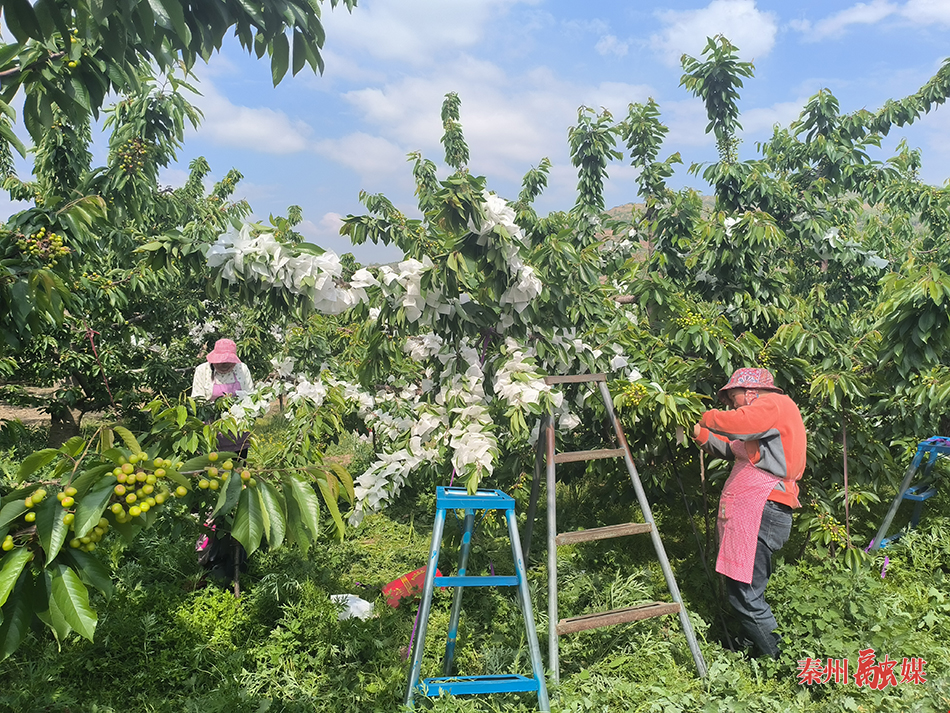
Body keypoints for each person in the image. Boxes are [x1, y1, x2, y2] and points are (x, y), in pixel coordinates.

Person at [691, 367, 807, 659]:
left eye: (734, 398)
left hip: (762, 507)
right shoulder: (763, 423)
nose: (733, 406)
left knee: (745, 593)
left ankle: (780, 661)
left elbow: (741, 425)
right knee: (747, 588)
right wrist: (698, 432)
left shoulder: (772, 404)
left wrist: (704, 416)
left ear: (751, 391)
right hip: (756, 509)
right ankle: (751, 648)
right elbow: (732, 448)